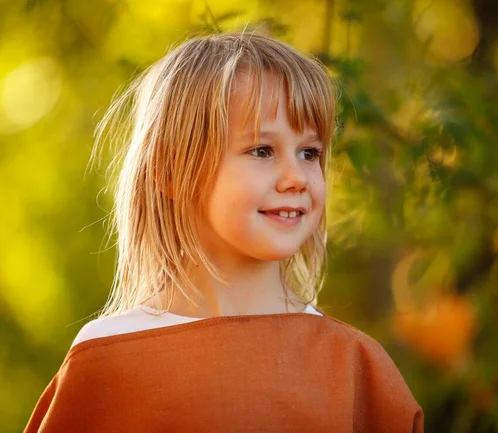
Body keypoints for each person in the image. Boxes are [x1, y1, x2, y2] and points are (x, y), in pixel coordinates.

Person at [24, 31, 424, 432]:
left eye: (310, 153)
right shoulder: (106, 357)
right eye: (262, 151)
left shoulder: (356, 366)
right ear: (172, 171)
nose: (296, 177)